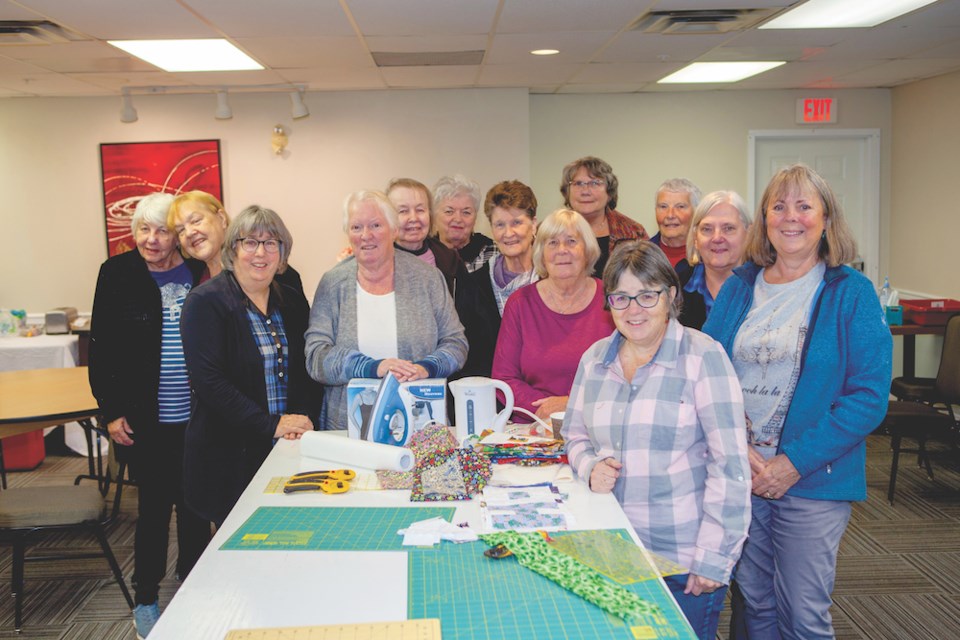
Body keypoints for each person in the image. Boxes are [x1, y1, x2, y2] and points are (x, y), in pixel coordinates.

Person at [703, 164, 892, 639]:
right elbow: (706, 375)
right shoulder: (741, 286)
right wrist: (738, 449)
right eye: (779, 206)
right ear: (764, 219)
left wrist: (792, 463)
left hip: (813, 480)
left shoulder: (851, 293)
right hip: (743, 473)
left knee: (803, 614)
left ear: (826, 219)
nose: (791, 217)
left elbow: (868, 398)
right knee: (758, 605)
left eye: (804, 206)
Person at [563, 240, 751, 640]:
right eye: (621, 297)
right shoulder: (594, 359)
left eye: (647, 295)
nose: (634, 309)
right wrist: (589, 465)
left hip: (679, 561)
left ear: (670, 296)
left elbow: (730, 466)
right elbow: (574, 433)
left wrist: (714, 558)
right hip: (607, 553)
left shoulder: (703, 357)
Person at [88, 192, 211, 638]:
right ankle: (146, 597)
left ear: (178, 236)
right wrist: (111, 411)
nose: (152, 239)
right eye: (144, 229)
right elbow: (101, 348)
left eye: (163, 230)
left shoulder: (201, 270)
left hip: (200, 418)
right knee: (154, 510)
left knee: (197, 508)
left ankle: (193, 584)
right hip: (146, 419)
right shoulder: (116, 273)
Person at [181, 205, 320, 527]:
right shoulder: (205, 302)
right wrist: (270, 424)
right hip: (229, 453)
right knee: (238, 548)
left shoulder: (293, 301)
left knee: (288, 537)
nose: (261, 253)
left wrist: (299, 421)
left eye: (272, 243)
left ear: (283, 253)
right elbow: (209, 382)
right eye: (251, 242)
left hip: (287, 447)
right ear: (233, 249)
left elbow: (306, 368)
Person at [305, 190, 468, 429]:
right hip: (349, 429)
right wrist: (372, 367)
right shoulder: (332, 284)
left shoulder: (427, 279)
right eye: (356, 227)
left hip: (421, 425)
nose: (366, 235)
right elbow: (316, 356)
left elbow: (456, 343)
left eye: (375, 225)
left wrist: (427, 367)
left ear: (393, 230)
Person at [492, 209, 615, 423]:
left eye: (571, 241)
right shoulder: (520, 303)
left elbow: (627, 375)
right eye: (552, 243)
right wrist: (547, 408)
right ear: (541, 253)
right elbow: (504, 378)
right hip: (533, 426)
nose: (562, 250)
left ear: (587, 250)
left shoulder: (612, 301)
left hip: (597, 423)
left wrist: (570, 403)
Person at [455, 180, 539, 378]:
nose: (508, 233)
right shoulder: (473, 284)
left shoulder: (552, 281)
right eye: (500, 225)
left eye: (517, 223)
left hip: (541, 397)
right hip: (490, 396)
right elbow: (468, 354)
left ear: (533, 225)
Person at [169, 190, 305, 290]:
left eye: (196, 221)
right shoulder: (193, 274)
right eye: (180, 230)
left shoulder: (267, 269)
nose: (189, 233)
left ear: (221, 218)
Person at [560, 156, 648, 278]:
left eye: (595, 183)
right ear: (567, 191)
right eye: (578, 183)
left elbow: (647, 279)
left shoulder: (633, 231)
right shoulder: (551, 231)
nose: (585, 191)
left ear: (609, 192)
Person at [679, 190, 752, 329]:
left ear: (748, 234)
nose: (717, 238)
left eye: (728, 228)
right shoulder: (676, 286)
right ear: (695, 238)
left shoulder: (764, 286)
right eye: (707, 229)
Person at [386, 177, 461, 292]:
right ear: (388, 218)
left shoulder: (450, 260)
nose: (413, 218)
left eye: (420, 210)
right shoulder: (377, 261)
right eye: (403, 211)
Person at [432, 174, 497, 272]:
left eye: (466, 212)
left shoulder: (492, 254)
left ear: (475, 218)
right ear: (434, 216)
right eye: (449, 211)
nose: (458, 219)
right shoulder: (425, 253)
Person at [652, 178, 701, 284]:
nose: (670, 215)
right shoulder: (642, 256)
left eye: (680, 207)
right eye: (663, 207)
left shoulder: (708, 257)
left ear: (696, 213)